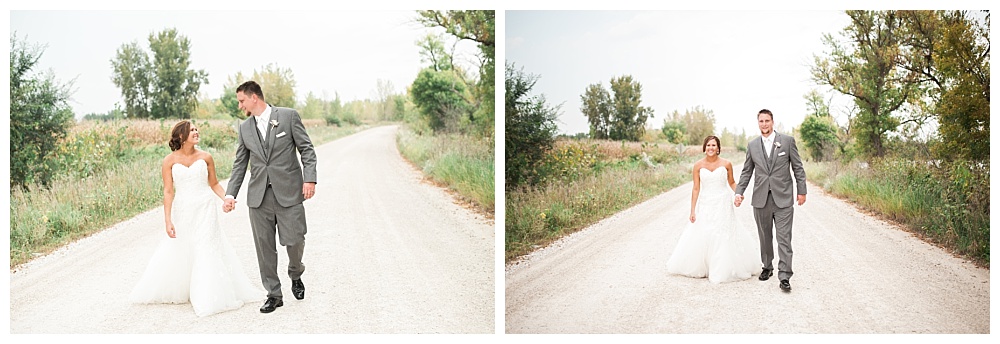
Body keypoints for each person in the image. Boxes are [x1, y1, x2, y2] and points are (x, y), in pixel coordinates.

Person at [130, 120, 263, 317]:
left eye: (196, 129)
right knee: (184, 247)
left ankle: (207, 295)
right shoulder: (169, 161)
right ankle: (185, 287)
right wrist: (167, 220)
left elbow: (215, 184)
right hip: (183, 209)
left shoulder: (206, 157)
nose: (196, 131)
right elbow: (168, 192)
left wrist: (227, 198)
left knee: (206, 247)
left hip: (205, 208)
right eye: (191, 130)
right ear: (181, 136)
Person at [223, 80, 318, 313]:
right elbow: (240, 164)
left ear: (254, 97)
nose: (240, 105)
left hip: (289, 192)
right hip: (258, 198)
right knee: (264, 248)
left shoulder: (288, 116)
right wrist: (230, 194)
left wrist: (310, 178)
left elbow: (307, 149)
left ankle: (296, 273)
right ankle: (274, 294)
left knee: (295, 240)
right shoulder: (245, 128)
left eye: (242, 100)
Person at [666, 135, 759, 283]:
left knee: (722, 233)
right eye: (708, 145)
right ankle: (706, 267)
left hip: (722, 202)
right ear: (704, 148)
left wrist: (739, 194)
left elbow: (732, 182)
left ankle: (722, 268)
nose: (711, 148)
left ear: (718, 148)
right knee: (706, 232)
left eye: (714, 145)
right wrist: (692, 210)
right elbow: (696, 188)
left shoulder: (726, 164)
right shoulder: (698, 165)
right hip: (706, 203)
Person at [734, 109, 807, 292]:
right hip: (760, 199)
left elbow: (798, 167)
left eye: (767, 121)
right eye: (761, 121)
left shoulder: (787, 142)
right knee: (765, 237)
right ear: (758, 123)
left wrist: (802, 191)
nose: (764, 124)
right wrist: (739, 192)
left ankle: (785, 276)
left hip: (783, 199)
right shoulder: (752, 145)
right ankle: (767, 267)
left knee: (784, 239)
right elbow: (747, 171)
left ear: (773, 122)